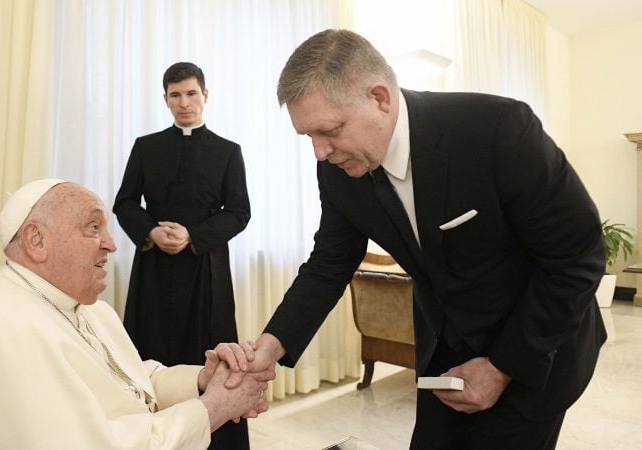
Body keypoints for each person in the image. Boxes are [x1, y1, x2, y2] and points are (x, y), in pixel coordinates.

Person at [243, 29, 607, 449]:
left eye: (330, 130)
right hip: (446, 350)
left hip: (534, 347)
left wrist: (501, 367)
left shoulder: (497, 130)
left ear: (380, 98)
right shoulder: (339, 169)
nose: (320, 152)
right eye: (309, 137)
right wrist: (269, 347)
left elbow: (578, 256)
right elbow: (329, 262)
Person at [0, 178, 270, 450]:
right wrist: (214, 407)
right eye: (93, 227)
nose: (112, 244)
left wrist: (202, 380)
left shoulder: (85, 307)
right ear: (37, 240)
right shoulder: (2, 330)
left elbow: (134, 378)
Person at [114, 62, 251, 448]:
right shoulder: (146, 147)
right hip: (154, 271)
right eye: (176, 95)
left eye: (191, 93)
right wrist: (151, 231)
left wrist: (193, 235)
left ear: (205, 96)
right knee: (150, 354)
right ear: (165, 99)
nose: (184, 102)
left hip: (206, 271)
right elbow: (124, 203)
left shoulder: (228, 152)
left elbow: (240, 212)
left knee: (210, 360)